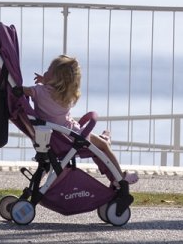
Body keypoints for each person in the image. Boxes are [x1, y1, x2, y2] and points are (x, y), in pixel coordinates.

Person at [22, 54, 138, 185]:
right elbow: (52, 93)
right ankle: (120, 177)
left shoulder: (38, 92)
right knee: (103, 147)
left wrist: (14, 87)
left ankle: (117, 177)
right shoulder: (64, 96)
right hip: (71, 135)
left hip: (60, 136)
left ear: (56, 79)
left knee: (100, 147)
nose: (45, 72)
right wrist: (47, 81)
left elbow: (24, 91)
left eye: (49, 71)